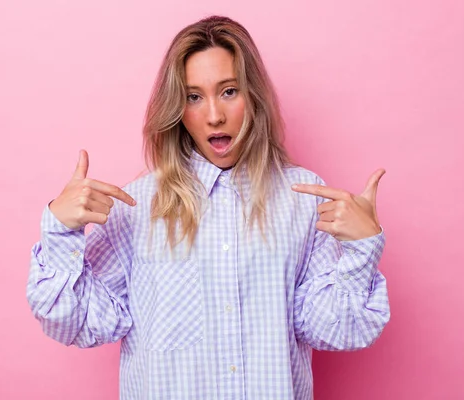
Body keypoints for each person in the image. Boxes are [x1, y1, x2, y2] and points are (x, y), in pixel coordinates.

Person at [27, 15, 390, 399]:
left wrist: (360, 248)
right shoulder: (138, 205)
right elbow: (73, 323)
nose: (214, 115)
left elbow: (337, 328)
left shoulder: (304, 197)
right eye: (193, 97)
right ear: (177, 108)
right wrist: (59, 230)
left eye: (229, 91)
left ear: (253, 95)